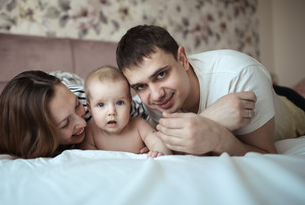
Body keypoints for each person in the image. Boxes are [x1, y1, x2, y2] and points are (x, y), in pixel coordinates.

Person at [116, 24, 305, 156]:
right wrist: (209, 121)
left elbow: (267, 155)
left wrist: (222, 141)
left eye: (161, 74)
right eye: (140, 86)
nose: (156, 95)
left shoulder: (239, 75)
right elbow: (180, 146)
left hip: (292, 109)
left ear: (182, 59)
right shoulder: (152, 98)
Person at [0, 70, 147, 159]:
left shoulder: (90, 103)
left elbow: (141, 109)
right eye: (65, 124)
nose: (82, 123)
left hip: (67, 82)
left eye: (77, 107)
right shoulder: (26, 142)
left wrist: (143, 138)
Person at [79, 66, 172, 157]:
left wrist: (158, 153)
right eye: (101, 105)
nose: (111, 112)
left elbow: (160, 145)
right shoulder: (91, 132)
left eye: (119, 103)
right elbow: (87, 161)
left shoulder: (139, 126)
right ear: (90, 109)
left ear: (130, 104)